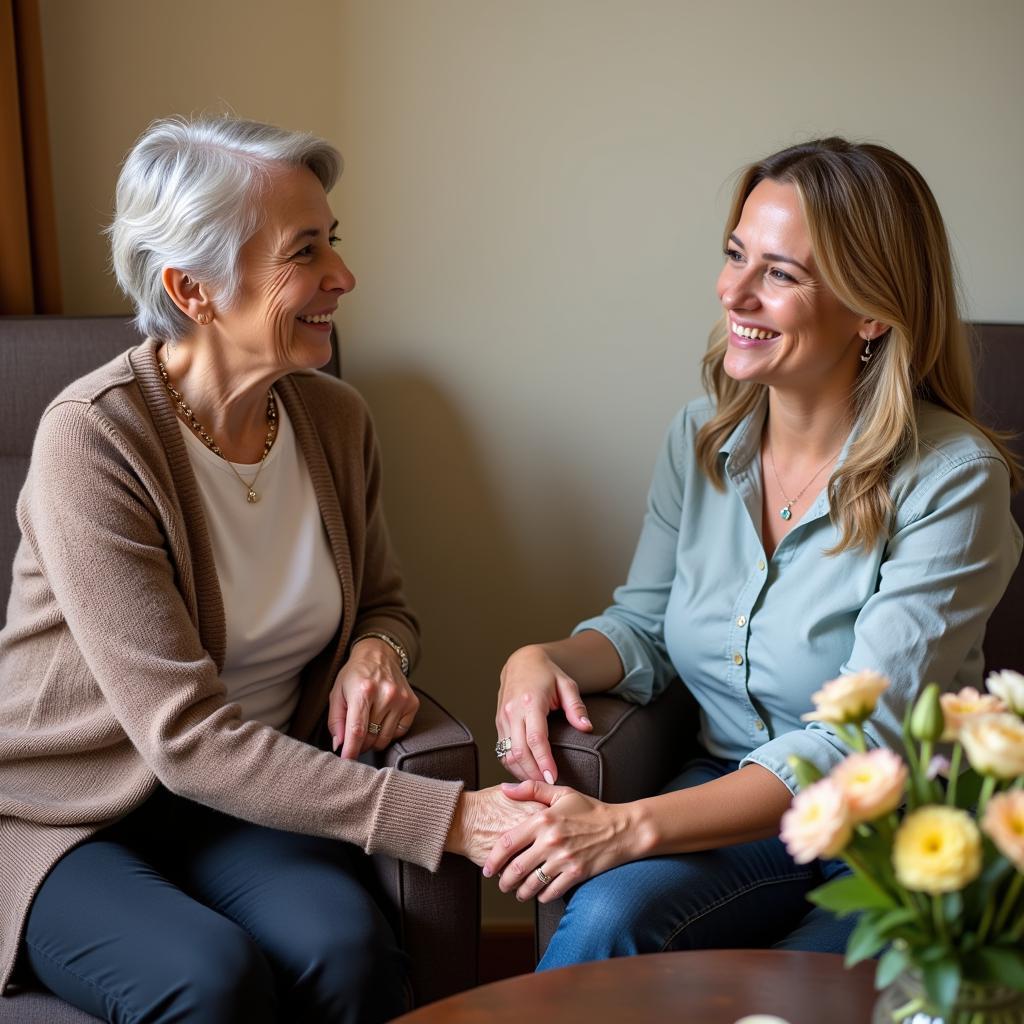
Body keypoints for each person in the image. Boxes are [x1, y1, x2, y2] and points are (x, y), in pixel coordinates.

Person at [0, 115, 537, 1024]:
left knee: (350, 953)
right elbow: (185, 739)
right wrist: (446, 817)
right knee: (206, 981)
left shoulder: (335, 420)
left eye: (335, 242)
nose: (343, 277)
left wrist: (379, 651)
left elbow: (386, 604)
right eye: (306, 252)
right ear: (192, 289)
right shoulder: (94, 439)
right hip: (74, 816)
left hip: (244, 801)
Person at [485, 138, 1023, 968]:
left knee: (806, 991)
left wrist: (627, 826)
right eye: (736, 254)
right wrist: (539, 657)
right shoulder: (702, 436)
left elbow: (862, 741)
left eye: (780, 273)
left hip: (893, 832)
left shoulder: (954, 481)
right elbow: (650, 624)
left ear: (871, 311)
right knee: (604, 922)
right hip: (731, 798)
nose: (732, 291)